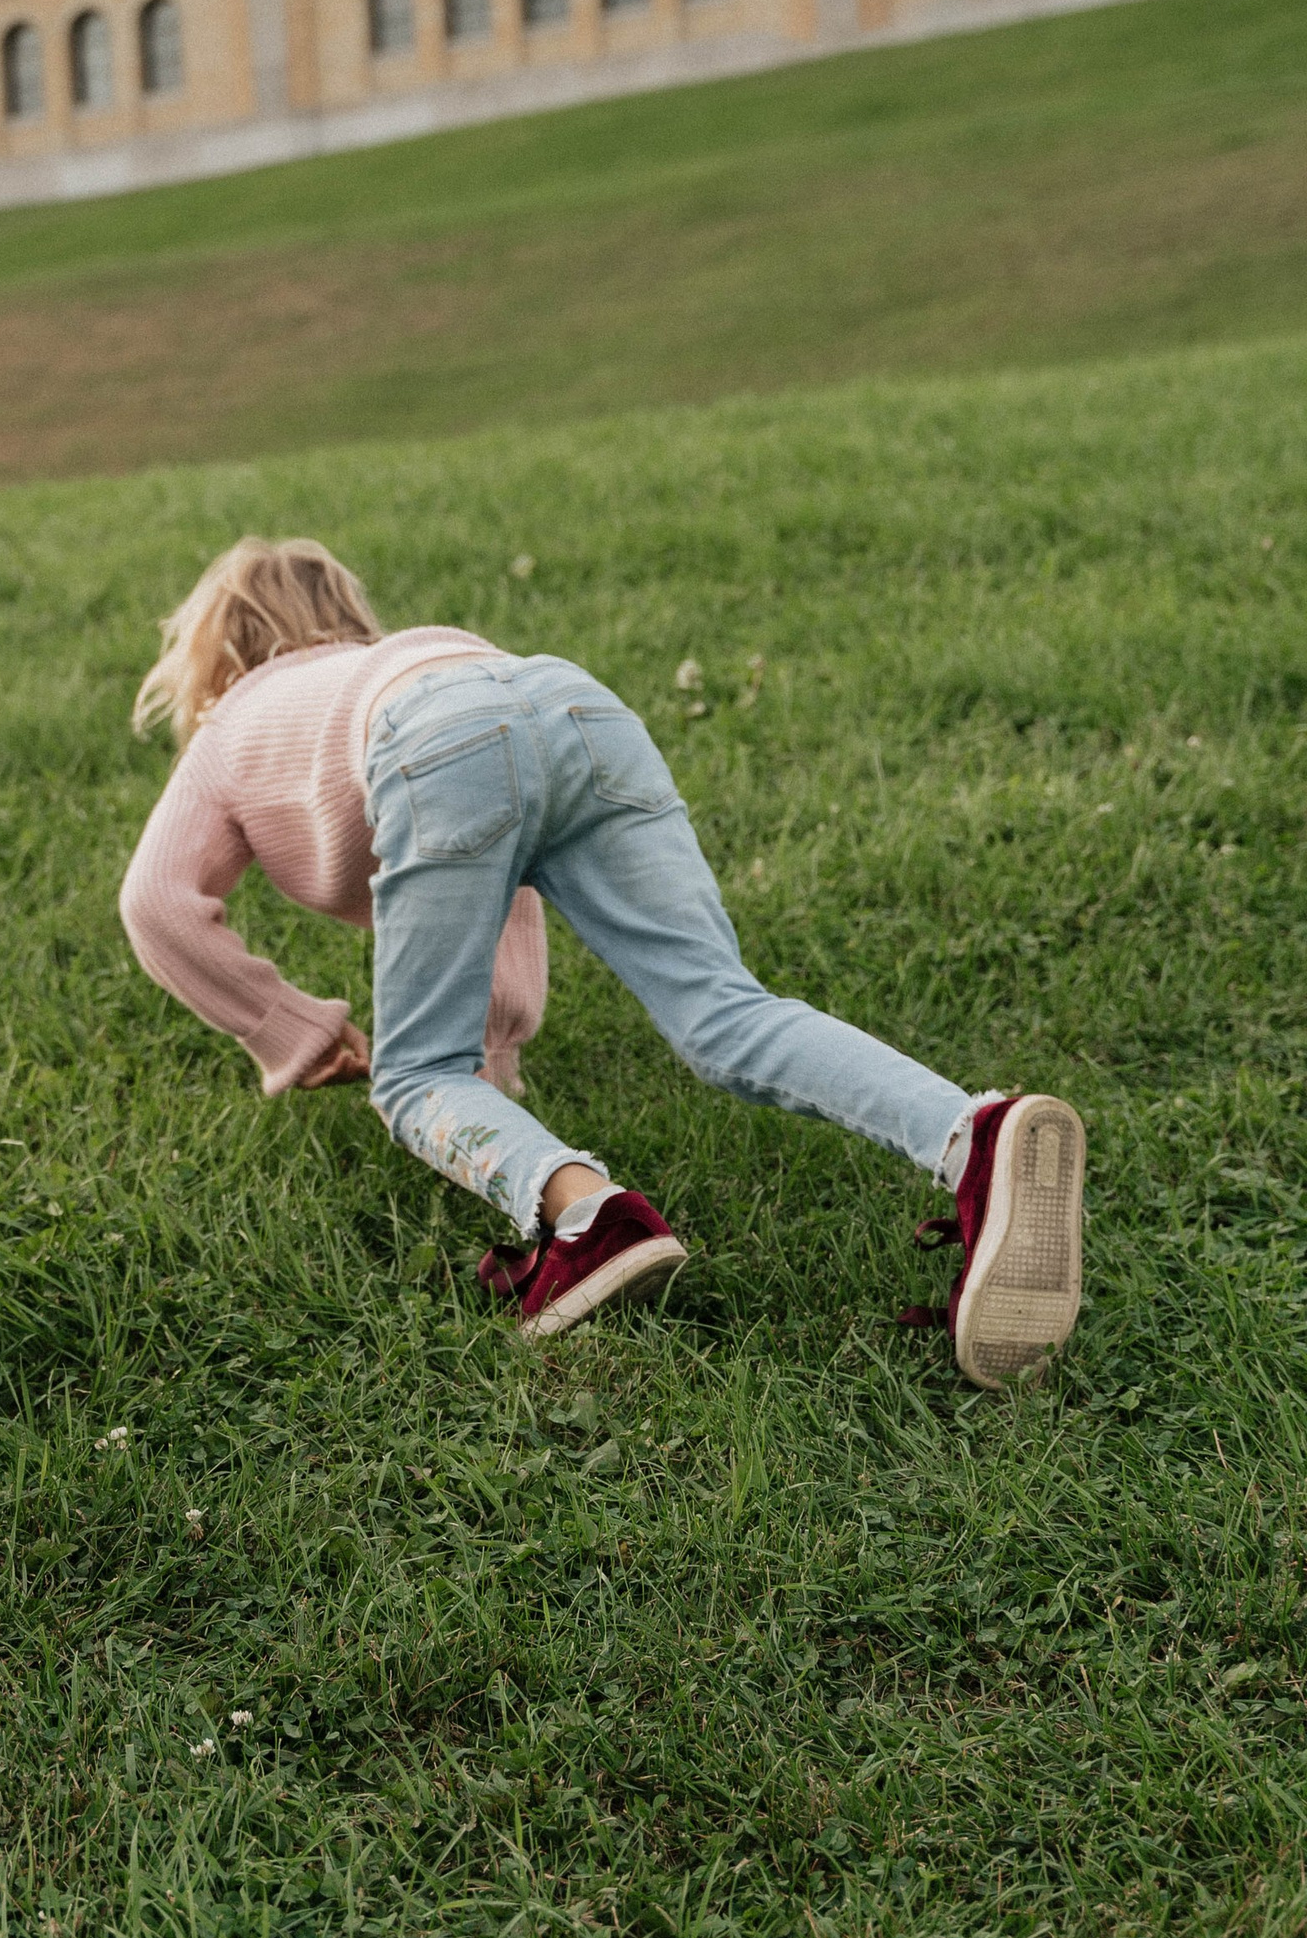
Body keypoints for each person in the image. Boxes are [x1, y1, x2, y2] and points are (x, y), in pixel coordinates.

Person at [117, 538, 1084, 1386]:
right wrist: (497, 1057)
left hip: (438, 744)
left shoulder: (232, 723)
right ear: (344, 613)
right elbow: (503, 881)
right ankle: (973, 1131)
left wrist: (293, 1031)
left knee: (413, 1078)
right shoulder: (405, 654)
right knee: (723, 1010)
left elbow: (155, 904)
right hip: (575, 702)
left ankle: (590, 1218)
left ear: (215, 657)